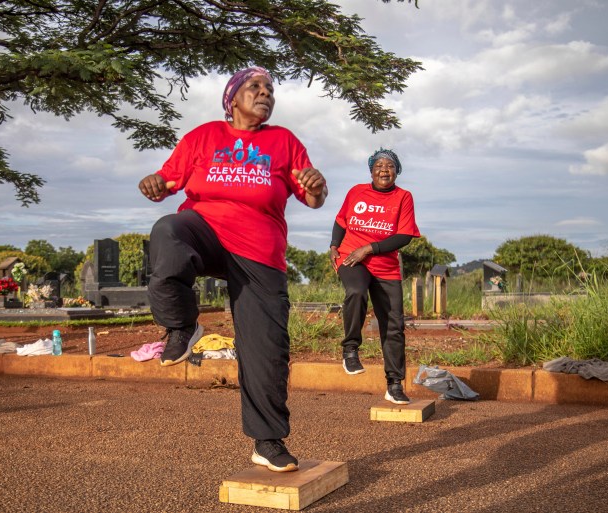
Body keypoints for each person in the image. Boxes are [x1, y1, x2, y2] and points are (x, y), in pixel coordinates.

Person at [138, 66, 327, 473]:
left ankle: (268, 441)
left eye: (270, 89)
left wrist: (316, 185)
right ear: (232, 99)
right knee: (168, 230)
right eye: (255, 87)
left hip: (259, 250)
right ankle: (181, 327)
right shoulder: (203, 137)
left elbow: (314, 198)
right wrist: (153, 181)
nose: (265, 93)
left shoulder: (284, 141)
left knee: (267, 350)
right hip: (206, 231)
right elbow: (166, 181)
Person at [329, 148, 420, 405]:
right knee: (356, 292)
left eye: (390, 166)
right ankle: (350, 349)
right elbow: (341, 220)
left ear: (396, 172)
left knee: (394, 326)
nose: (384, 169)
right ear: (371, 170)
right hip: (350, 259)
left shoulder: (403, 197)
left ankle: (394, 384)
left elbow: (404, 236)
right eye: (379, 165)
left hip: (385, 266)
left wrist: (368, 248)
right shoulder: (356, 191)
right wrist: (334, 245)